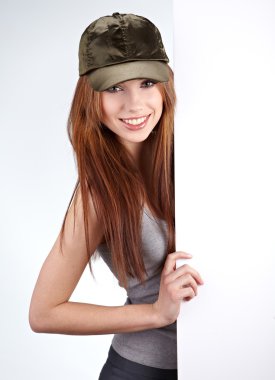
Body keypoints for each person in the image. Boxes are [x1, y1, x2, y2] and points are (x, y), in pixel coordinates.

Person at [29, 12, 204, 380]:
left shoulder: (186, 154)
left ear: (164, 83)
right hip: (143, 370)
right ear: (90, 97)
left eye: (145, 82)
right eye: (114, 88)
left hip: (217, 358)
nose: (134, 104)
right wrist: (156, 312)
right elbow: (43, 313)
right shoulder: (98, 193)